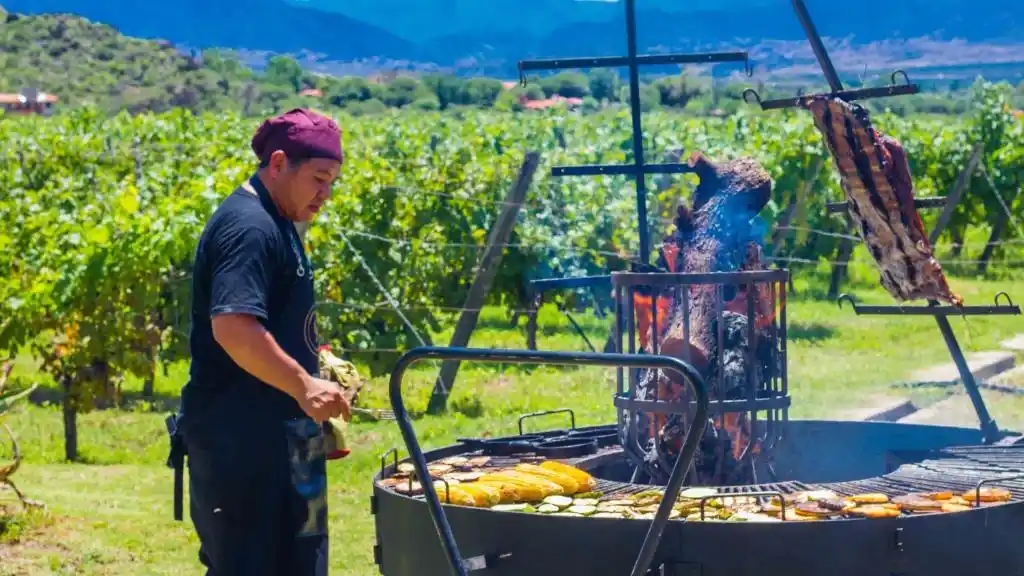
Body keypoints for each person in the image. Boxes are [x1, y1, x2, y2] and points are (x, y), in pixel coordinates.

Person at [166, 108, 350, 576]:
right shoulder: (249, 227)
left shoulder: (279, 218)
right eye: (318, 178)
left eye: (332, 181)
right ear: (278, 163)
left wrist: (316, 366)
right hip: (242, 443)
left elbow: (270, 320)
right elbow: (233, 326)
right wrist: (303, 385)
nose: (325, 193)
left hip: (283, 437)